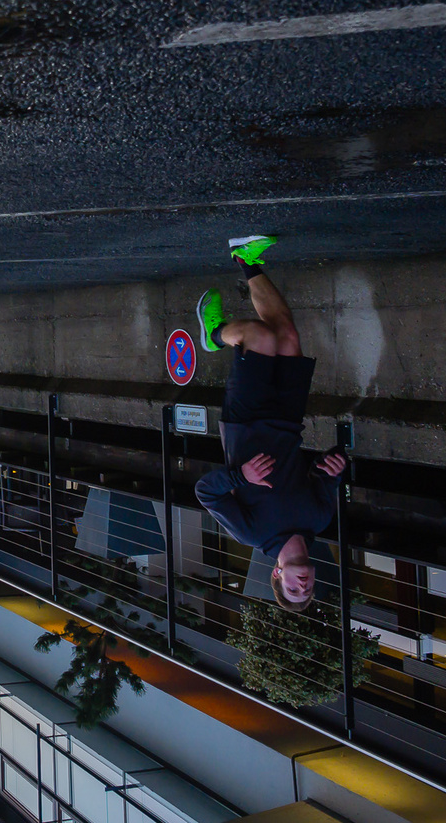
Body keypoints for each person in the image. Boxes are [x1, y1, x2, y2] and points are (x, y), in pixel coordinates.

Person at [191, 235, 347, 613]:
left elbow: (205, 493)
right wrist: (337, 464)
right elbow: (328, 470)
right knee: (287, 334)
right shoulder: (321, 519)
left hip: (246, 422)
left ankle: (213, 335)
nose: (304, 586)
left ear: (277, 575)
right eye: (308, 591)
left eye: (294, 591)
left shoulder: (251, 533)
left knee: (258, 337)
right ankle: (245, 258)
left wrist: (240, 476)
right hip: (289, 419)